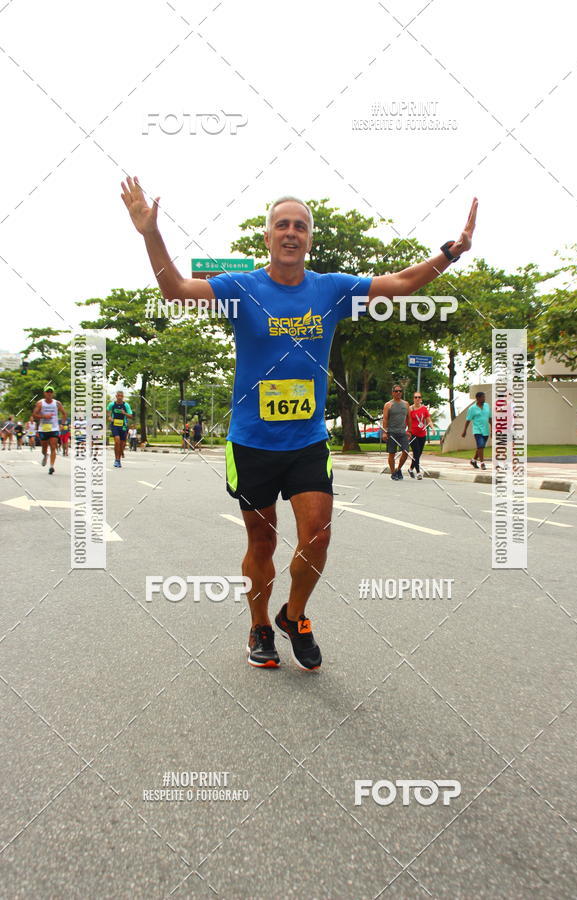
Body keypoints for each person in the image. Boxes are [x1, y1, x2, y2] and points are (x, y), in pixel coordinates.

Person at [121, 175, 477, 669]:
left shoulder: (331, 289)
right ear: (267, 237)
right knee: (262, 540)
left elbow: (400, 285)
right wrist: (149, 234)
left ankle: (294, 614)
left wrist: (450, 253)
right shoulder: (240, 288)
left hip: (307, 439)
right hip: (253, 442)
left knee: (319, 536)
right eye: (282, 225)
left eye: (301, 227)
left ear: (310, 239)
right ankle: (259, 625)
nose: (291, 232)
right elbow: (178, 290)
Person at [32, 388, 67, 474]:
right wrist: (44, 416)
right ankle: (45, 455)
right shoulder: (40, 403)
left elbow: (64, 414)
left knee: (53, 447)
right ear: (44, 393)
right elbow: (34, 414)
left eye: (51, 392)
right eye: (47, 392)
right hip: (43, 429)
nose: (49, 393)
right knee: (44, 449)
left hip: (54, 428)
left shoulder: (57, 403)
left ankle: (51, 466)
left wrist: (62, 424)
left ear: (53, 394)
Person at [382, 386, 410, 481]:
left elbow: (408, 418)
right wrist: (385, 432)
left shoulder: (406, 404)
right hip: (391, 432)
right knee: (392, 453)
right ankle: (393, 472)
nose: (398, 392)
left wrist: (409, 430)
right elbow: (385, 419)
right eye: (396, 391)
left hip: (402, 432)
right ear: (392, 393)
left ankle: (399, 469)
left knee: (406, 452)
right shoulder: (388, 405)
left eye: (400, 391)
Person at [462, 391, 492, 469]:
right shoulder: (472, 408)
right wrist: (464, 430)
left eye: (484, 397)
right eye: (483, 397)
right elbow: (468, 420)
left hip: (486, 430)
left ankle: (473, 460)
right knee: (481, 445)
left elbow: (490, 418)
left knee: (480, 447)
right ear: (478, 398)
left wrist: (492, 429)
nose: (484, 399)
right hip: (477, 430)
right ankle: (482, 463)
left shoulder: (487, 406)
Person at [408, 392, 433, 480]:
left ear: (421, 399)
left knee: (418, 454)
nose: (417, 399)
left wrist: (432, 428)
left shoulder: (424, 409)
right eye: (416, 397)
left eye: (419, 397)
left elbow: (428, 419)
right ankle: (418, 472)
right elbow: (407, 421)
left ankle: (410, 469)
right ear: (413, 399)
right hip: (413, 434)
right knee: (416, 452)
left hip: (422, 434)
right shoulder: (410, 409)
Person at [107, 391, 134, 468]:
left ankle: (121, 451)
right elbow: (108, 411)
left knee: (123, 444)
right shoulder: (112, 404)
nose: (120, 397)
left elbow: (131, 416)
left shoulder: (126, 405)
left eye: (121, 396)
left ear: (123, 396)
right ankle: (117, 460)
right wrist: (109, 417)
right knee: (117, 441)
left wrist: (124, 413)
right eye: (118, 396)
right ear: (116, 396)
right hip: (114, 425)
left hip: (123, 426)